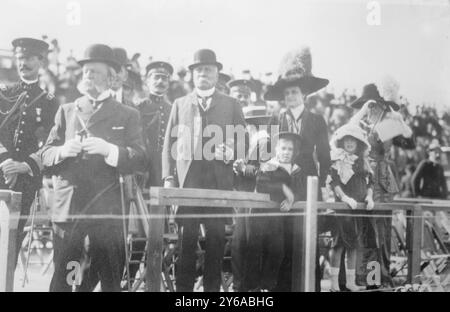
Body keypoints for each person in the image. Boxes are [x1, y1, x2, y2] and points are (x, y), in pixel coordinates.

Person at [41, 43, 145, 292]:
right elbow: (45, 155)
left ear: (111, 77)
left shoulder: (127, 114)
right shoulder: (67, 111)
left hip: (107, 208)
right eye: (85, 71)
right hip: (70, 207)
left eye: (95, 72)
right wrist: (63, 151)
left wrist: (109, 150)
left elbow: (140, 157)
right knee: (68, 273)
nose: (88, 76)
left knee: (109, 276)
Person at [162, 48, 246, 292]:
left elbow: (244, 140)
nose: (203, 74)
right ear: (192, 75)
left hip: (219, 184)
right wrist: (169, 178)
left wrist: (232, 153)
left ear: (217, 73)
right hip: (189, 183)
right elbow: (168, 144)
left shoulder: (231, 104)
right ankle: (184, 295)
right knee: (185, 243)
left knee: (216, 243)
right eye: (199, 70)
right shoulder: (180, 104)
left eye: (208, 70)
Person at [266, 46, 330, 291]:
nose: (291, 95)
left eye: (295, 91)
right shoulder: (276, 120)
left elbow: (324, 157)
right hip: (282, 185)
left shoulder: (316, 120)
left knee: (307, 241)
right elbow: (269, 154)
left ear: (304, 94)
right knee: (281, 242)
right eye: (287, 92)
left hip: (308, 186)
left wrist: (321, 186)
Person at [0, 37, 59, 266]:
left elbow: (51, 141)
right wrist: (6, 162)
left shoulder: (50, 102)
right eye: (20, 58)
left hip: (26, 178)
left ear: (40, 62)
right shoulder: (3, 95)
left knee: (14, 239)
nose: (23, 63)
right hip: (0, 172)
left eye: (29, 58)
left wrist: (25, 166)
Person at [349, 83, 413, 288]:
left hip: (381, 179)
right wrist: (362, 110)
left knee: (380, 231)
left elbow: (409, 139)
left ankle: (377, 278)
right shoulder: (364, 123)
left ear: (381, 106)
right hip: (364, 178)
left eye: (373, 106)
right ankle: (368, 277)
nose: (370, 110)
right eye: (368, 106)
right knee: (366, 230)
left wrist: (396, 116)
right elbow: (347, 129)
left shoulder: (386, 124)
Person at [245, 131, 306, 291]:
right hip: (261, 217)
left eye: (290, 149)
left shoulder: (296, 170)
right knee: (256, 251)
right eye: (283, 148)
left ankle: (268, 287)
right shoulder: (269, 166)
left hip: (279, 219)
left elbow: (301, 191)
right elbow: (262, 185)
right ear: (276, 149)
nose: (286, 153)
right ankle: (252, 288)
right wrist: (283, 188)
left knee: (278, 252)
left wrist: (292, 199)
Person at [327, 123, 374, 292]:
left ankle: (350, 282)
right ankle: (333, 283)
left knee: (354, 244)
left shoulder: (363, 162)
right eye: (346, 140)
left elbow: (370, 182)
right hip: (342, 208)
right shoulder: (337, 159)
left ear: (358, 143)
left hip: (359, 209)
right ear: (342, 142)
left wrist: (369, 197)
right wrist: (345, 197)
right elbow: (334, 183)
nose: (349, 143)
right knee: (338, 244)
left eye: (353, 140)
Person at [231, 105, 271, 292]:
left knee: (248, 243)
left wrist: (242, 168)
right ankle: (242, 286)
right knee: (240, 242)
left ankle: (248, 287)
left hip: (257, 198)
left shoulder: (264, 141)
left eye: (246, 124)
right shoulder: (252, 142)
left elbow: (265, 172)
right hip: (245, 198)